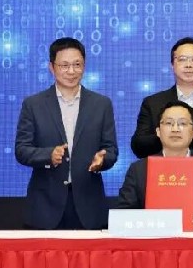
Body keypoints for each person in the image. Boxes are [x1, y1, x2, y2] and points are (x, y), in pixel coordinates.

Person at [14, 37, 118, 230]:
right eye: (64, 65)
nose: (71, 71)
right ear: (51, 67)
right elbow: (22, 150)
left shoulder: (101, 104)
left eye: (77, 65)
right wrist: (48, 155)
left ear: (84, 66)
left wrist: (102, 160)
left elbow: (111, 149)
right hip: (45, 207)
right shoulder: (33, 104)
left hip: (89, 206)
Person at [118, 101, 193, 230]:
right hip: (152, 239)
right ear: (158, 131)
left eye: (182, 123)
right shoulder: (138, 170)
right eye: (168, 123)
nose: (175, 129)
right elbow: (122, 213)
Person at [131, 37, 193, 160]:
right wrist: (167, 134)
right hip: (162, 170)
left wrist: (191, 132)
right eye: (182, 59)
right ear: (172, 65)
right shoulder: (152, 103)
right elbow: (139, 146)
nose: (188, 65)